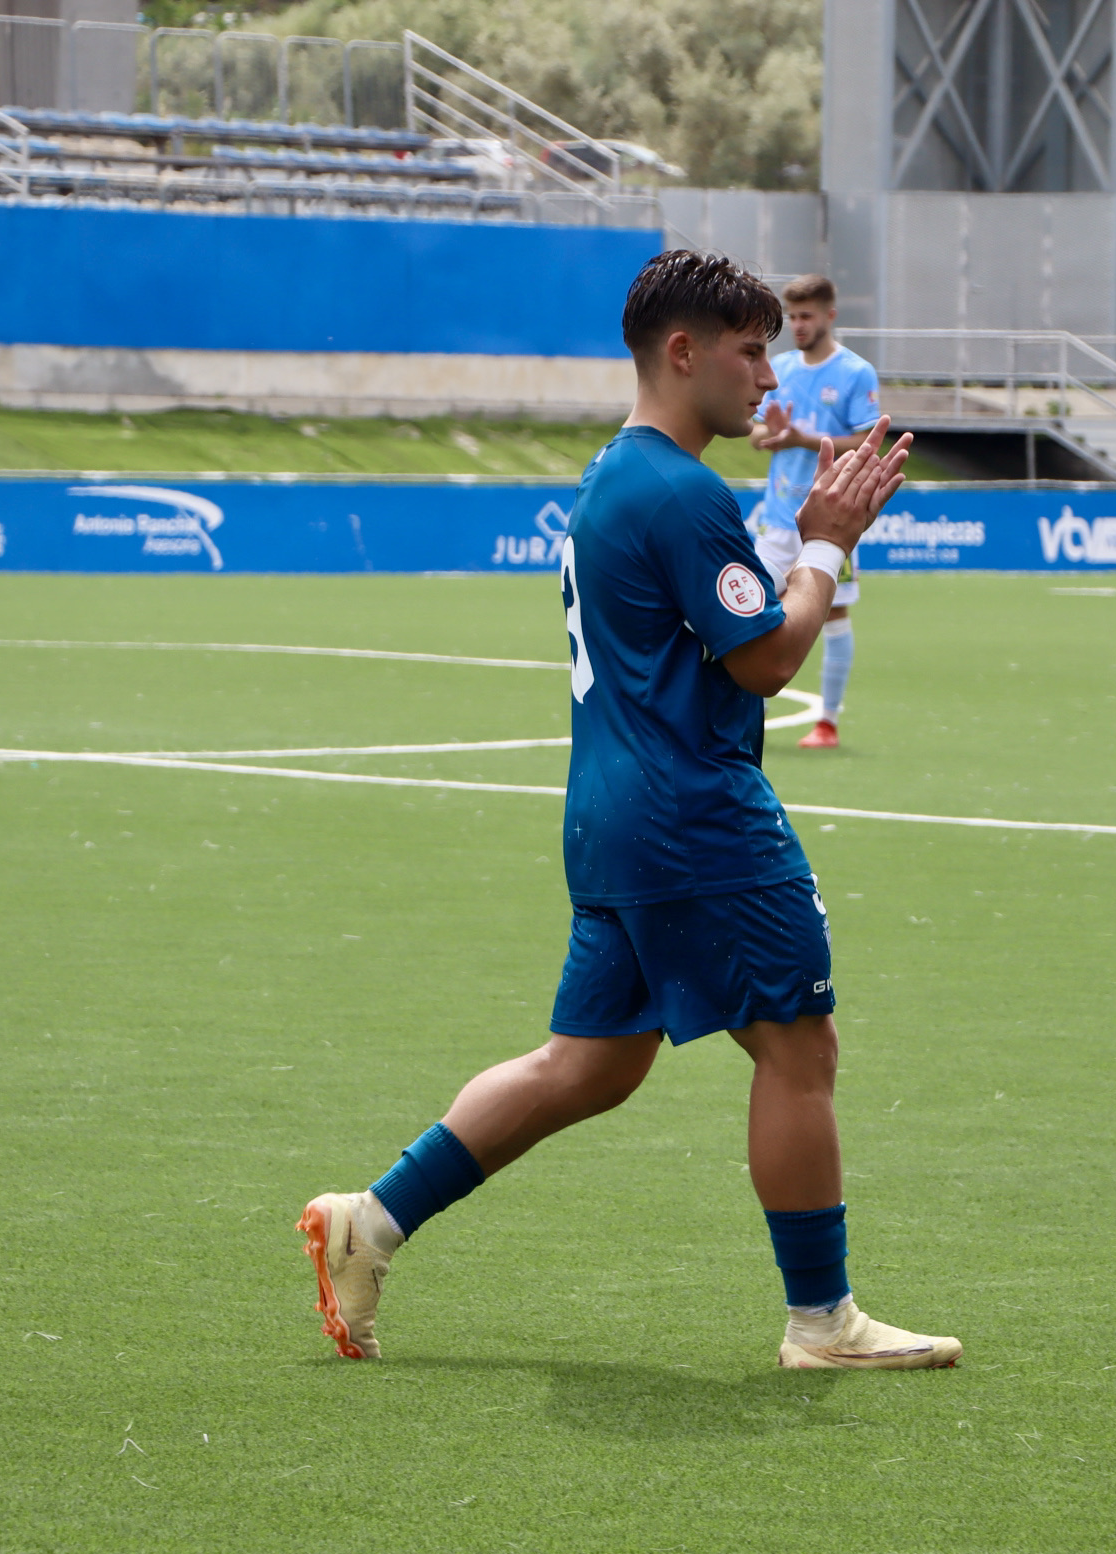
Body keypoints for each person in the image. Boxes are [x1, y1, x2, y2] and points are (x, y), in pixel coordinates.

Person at [296, 251, 961, 1372]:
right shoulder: (678, 490)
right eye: (750, 350)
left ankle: (374, 1218)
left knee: (592, 1064)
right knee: (799, 1046)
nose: (768, 373)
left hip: (613, 815)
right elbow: (767, 658)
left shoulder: (616, 475)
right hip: (696, 818)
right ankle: (823, 1322)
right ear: (682, 352)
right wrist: (827, 539)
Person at [748, 274, 883, 751]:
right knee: (755, 608)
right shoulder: (779, 367)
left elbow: (870, 442)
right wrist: (774, 436)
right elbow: (757, 435)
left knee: (834, 613)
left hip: (829, 517)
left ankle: (826, 721)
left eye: (806, 316)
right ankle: (749, 714)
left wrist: (804, 438)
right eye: (792, 317)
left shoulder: (855, 372)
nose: (798, 326)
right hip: (777, 515)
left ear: (830, 315)